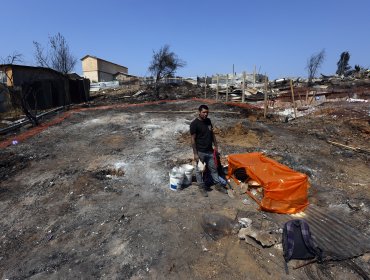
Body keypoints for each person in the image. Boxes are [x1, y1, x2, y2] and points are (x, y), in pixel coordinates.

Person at [190, 104, 227, 197]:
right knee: (199, 170)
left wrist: (216, 146)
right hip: (200, 152)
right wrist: (195, 153)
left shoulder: (208, 121)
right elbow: (192, 139)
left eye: (207, 112)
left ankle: (218, 185)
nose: (205, 114)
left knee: (213, 168)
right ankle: (201, 187)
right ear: (199, 112)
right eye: (203, 112)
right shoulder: (194, 124)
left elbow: (212, 134)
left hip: (210, 151)